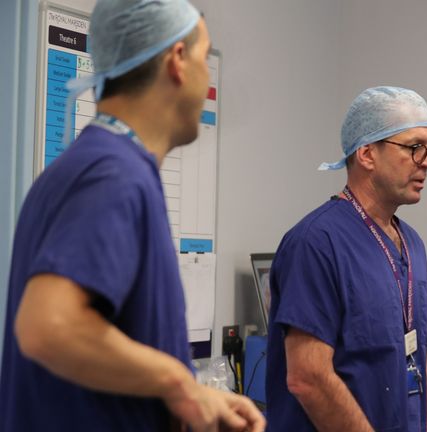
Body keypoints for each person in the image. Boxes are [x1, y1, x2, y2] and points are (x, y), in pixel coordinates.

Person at [0, 1, 264, 431]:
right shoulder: (113, 174)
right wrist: (179, 384)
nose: (208, 79)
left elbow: (109, 355)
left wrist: (196, 397)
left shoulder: (91, 168)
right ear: (177, 60)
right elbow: (48, 327)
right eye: (204, 58)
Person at [265, 86, 427, 431]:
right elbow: (308, 376)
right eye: (415, 147)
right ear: (367, 154)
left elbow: (419, 353)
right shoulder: (316, 243)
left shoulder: (412, 244)